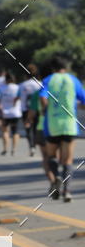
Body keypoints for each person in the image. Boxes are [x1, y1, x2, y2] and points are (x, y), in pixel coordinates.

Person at [40, 55, 85, 202]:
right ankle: (67, 191)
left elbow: (42, 97)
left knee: (51, 156)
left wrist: (45, 109)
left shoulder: (48, 80)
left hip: (52, 124)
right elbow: (83, 100)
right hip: (69, 124)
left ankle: (56, 177)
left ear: (52, 68)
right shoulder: (73, 80)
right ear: (65, 67)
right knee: (68, 159)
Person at [0, 71, 22, 156]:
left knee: (5, 131)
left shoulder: (0, 88)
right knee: (15, 131)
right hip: (15, 112)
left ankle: (5, 148)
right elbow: (20, 98)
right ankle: (14, 149)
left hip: (5, 113)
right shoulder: (18, 87)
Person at [19, 64, 41, 156]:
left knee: (28, 129)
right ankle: (34, 145)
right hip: (37, 109)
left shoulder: (22, 85)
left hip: (25, 109)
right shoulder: (40, 84)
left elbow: (19, 97)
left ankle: (31, 146)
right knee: (36, 128)